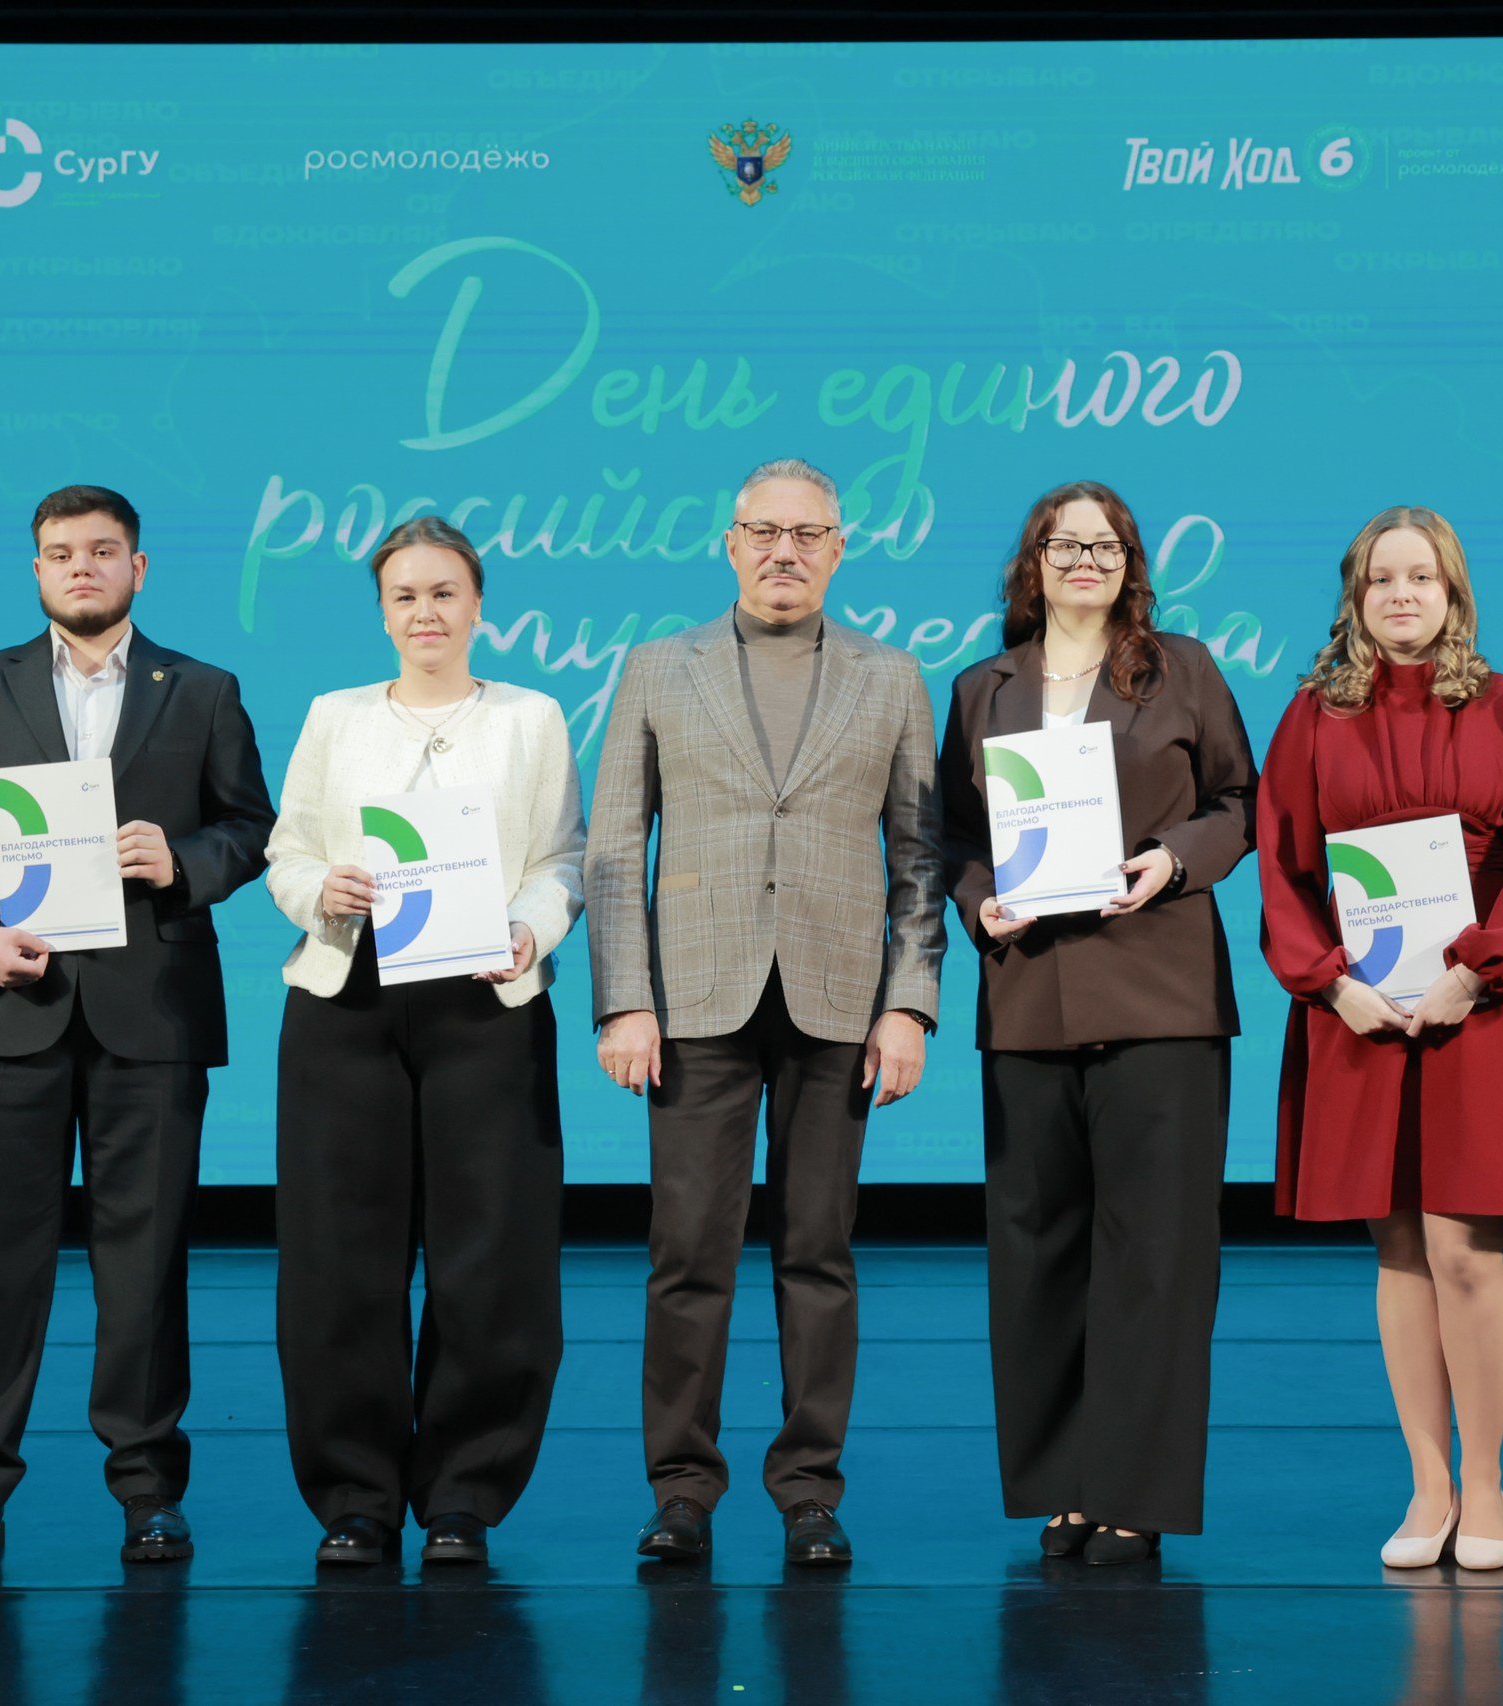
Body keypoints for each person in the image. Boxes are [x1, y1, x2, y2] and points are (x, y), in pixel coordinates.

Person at [0, 485, 272, 1566]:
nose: (81, 567)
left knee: (145, 1265)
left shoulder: (202, 688)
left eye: (102, 551)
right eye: (61, 552)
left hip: (150, 1012)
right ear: (37, 570)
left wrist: (183, 861)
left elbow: (251, 825)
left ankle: (148, 1486)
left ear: (137, 568)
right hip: (6, 1007)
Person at [587, 457, 946, 1567]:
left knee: (817, 1254)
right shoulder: (658, 666)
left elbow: (920, 856)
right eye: (764, 532)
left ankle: (808, 1493)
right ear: (730, 543)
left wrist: (910, 1005)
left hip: (840, 998)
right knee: (687, 1254)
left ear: (839, 548)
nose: (784, 551)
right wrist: (624, 1000)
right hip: (695, 997)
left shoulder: (893, 676)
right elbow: (614, 847)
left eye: (807, 534)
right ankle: (682, 1489)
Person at [1257, 506, 1503, 1573]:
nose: (1401, 594)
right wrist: (1331, 985)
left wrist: (1474, 972)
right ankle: (1427, 1481)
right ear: (1355, 598)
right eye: (1381, 579)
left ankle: (1487, 1481)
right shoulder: (1313, 717)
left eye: (1421, 577)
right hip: (1363, 1014)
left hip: (1483, 1006)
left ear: (1454, 592)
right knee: (1399, 1250)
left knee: (1465, 1247)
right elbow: (1282, 866)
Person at [937, 482, 1256, 1565]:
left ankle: (1136, 1490)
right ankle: (1066, 1483)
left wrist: (1172, 859)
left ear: (1131, 563)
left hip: (1161, 992)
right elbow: (955, 835)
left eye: (1105, 543)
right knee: (1038, 1253)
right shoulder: (981, 689)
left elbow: (1238, 804)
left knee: (1156, 1254)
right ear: (1032, 562)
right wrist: (979, 898)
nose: (1085, 558)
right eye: (1063, 543)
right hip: (1030, 994)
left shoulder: (1184, 669)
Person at [264, 518, 585, 1568]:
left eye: (444, 592)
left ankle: (463, 1496)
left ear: (478, 606)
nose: (426, 612)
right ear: (382, 612)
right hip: (346, 1001)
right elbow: (286, 852)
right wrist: (321, 887)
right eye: (404, 595)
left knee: (492, 1258)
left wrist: (531, 926)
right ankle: (354, 1498)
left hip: (485, 1006)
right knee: (337, 1261)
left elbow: (562, 857)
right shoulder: (336, 715)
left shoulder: (531, 717)